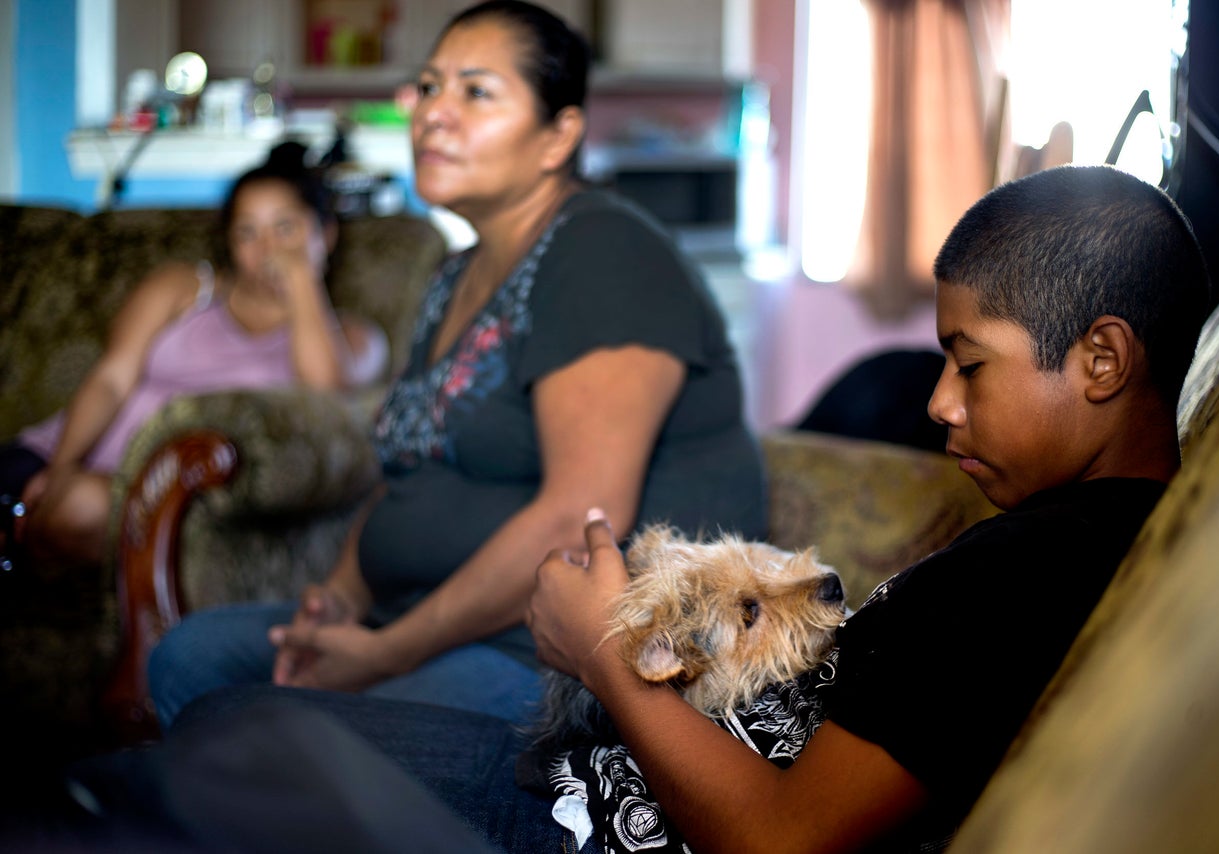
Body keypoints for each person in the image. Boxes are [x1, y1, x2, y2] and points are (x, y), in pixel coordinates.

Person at [37, 164, 1211, 854]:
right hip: (583, 778)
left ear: (1100, 358)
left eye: (970, 361)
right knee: (225, 723)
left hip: (583, 824)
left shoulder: (1032, 567)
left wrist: (598, 648)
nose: (935, 399)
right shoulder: (1073, 539)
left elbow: (781, 838)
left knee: (238, 740)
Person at [146, 0, 767, 729]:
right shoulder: (456, 274)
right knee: (189, 657)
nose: (433, 114)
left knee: (326, 732)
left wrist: (385, 655)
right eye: (430, 87)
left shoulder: (603, 253)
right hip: (415, 620)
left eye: (475, 92)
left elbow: (579, 515)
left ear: (557, 134)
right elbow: (413, 467)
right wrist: (343, 595)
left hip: (550, 654)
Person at [0, 141, 388, 570]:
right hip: (51, 460)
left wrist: (301, 281)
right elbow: (110, 380)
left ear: (326, 234)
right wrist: (58, 470)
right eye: (247, 232)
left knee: (84, 507)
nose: (267, 251)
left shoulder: (356, 340)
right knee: (71, 500)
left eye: (286, 229)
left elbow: (325, 398)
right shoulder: (184, 287)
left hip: (153, 500)